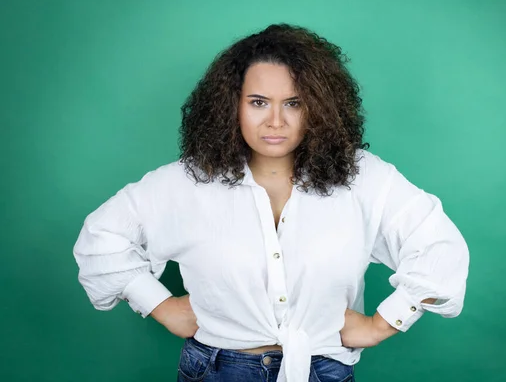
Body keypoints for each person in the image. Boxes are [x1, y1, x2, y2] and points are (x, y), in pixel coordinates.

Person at [73, 23, 470, 382]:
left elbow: (439, 246)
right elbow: (102, 235)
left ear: (318, 107)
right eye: (259, 102)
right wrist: (159, 304)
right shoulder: (188, 180)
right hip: (217, 370)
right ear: (232, 105)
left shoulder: (365, 177)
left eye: (293, 103)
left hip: (324, 369)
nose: (276, 121)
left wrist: (382, 324)